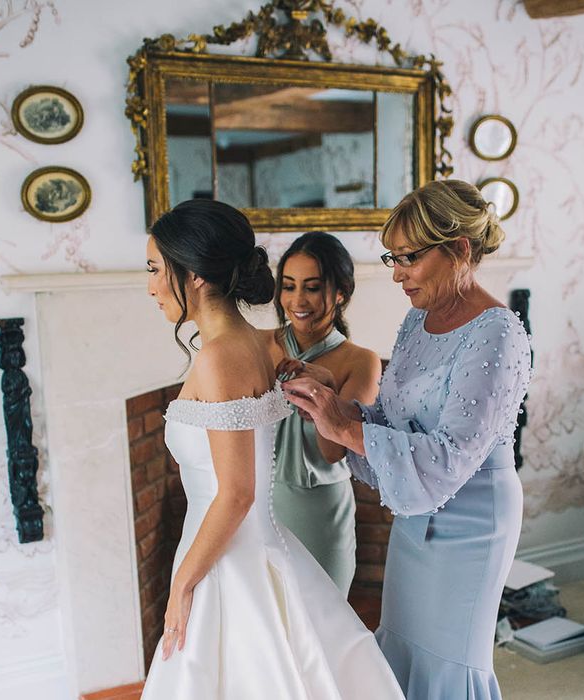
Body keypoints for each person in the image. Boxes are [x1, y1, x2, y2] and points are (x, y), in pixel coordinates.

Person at [141, 199, 404, 699]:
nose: (151, 286)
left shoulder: (222, 355)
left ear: (194, 274)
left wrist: (180, 587)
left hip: (229, 557)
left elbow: (236, 494)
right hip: (244, 542)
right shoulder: (260, 342)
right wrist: (319, 375)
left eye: (156, 269)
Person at [282, 179, 533, 699]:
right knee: (402, 647)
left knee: (449, 660)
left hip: (471, 523)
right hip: (416, 515)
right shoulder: (418, 320)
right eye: (391, 258)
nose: (396, 274)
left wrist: (346, 427)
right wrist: (334, 403)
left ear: (459, 250)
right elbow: (395, 423)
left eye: (409, 259)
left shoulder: (498, 333)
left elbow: (451, 454)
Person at [262, 232, 381, 593]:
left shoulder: (360, 361)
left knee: (323, 626)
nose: (297, 300)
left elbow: (334, 453)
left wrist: (324, 389)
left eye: (312, 287)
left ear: (341, 291)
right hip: (259, 504)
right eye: (288, 286)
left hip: (320, 511)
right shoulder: (260, 345)